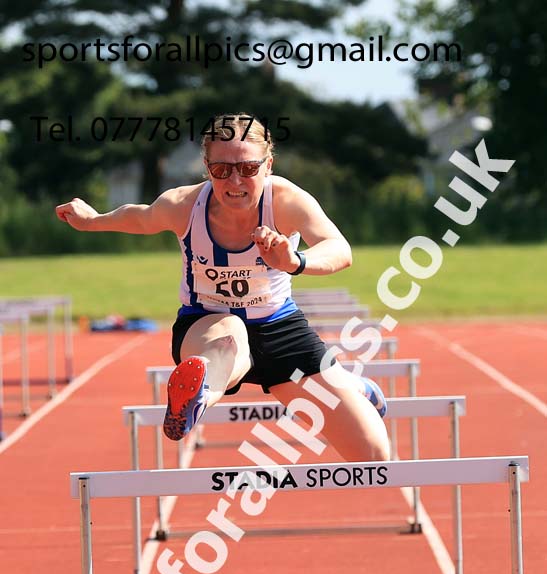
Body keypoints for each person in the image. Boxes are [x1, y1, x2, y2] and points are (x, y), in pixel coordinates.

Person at [56, 112, 390, 462]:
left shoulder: (286, 201)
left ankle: (355, 387)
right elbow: (139, 217)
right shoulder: (183, 206)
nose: (234, 180)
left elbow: (339, 249)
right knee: (233, 336)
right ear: (206, 166)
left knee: (374, 453)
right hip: (207, 324)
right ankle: (195, 397)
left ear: (268, 165)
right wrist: (93, 221)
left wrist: (294, 262)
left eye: (247, 168)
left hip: (280, 329)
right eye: (221, 169)